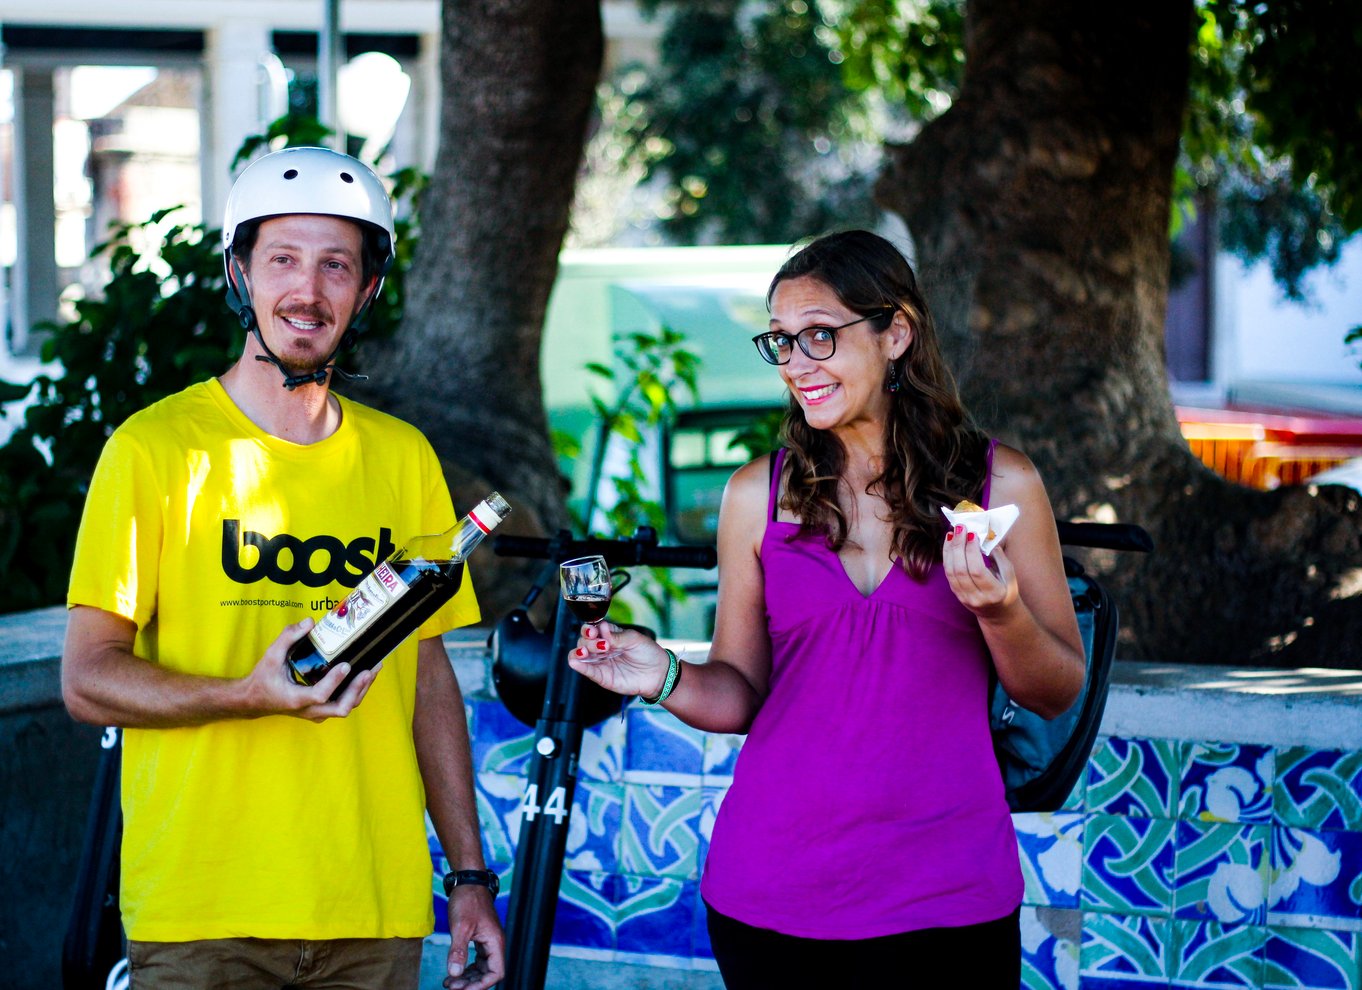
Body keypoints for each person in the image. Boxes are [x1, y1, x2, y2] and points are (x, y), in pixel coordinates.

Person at [569, 229, 1085, 987]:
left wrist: (1001, 610)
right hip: (770, 892)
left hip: (948, 896)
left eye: (819, 336)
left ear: (895, 333)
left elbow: (1056, 690)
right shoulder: (757, 495)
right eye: (780, 342)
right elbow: (741, 691)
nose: (797, 365)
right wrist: (662, 675)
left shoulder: (1001, 486)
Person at [61, 147, 504, 990]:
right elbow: (86, 681)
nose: (309, 291)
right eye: (284, 260)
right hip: (204, 918)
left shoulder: (403, 457)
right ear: (239, 273)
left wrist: (470, 879)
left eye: (336, 264)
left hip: (373, 910)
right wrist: (245, 696)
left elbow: (429, 680)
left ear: (366, 289)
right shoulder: (155, 450)